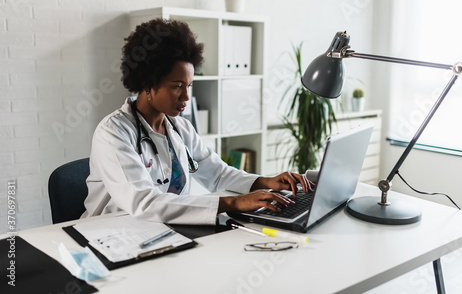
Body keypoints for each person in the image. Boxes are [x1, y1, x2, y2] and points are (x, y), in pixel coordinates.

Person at [82, 18, 313, 225]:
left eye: (189, 86)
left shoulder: (180, 128)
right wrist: (234, 203)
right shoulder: (114, 133)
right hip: (110, 232)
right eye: (177, 86)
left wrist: (265, 182)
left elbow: (218, 174)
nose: (186, 98)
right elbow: (145, 203)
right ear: (148, 82)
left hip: (161, 228)